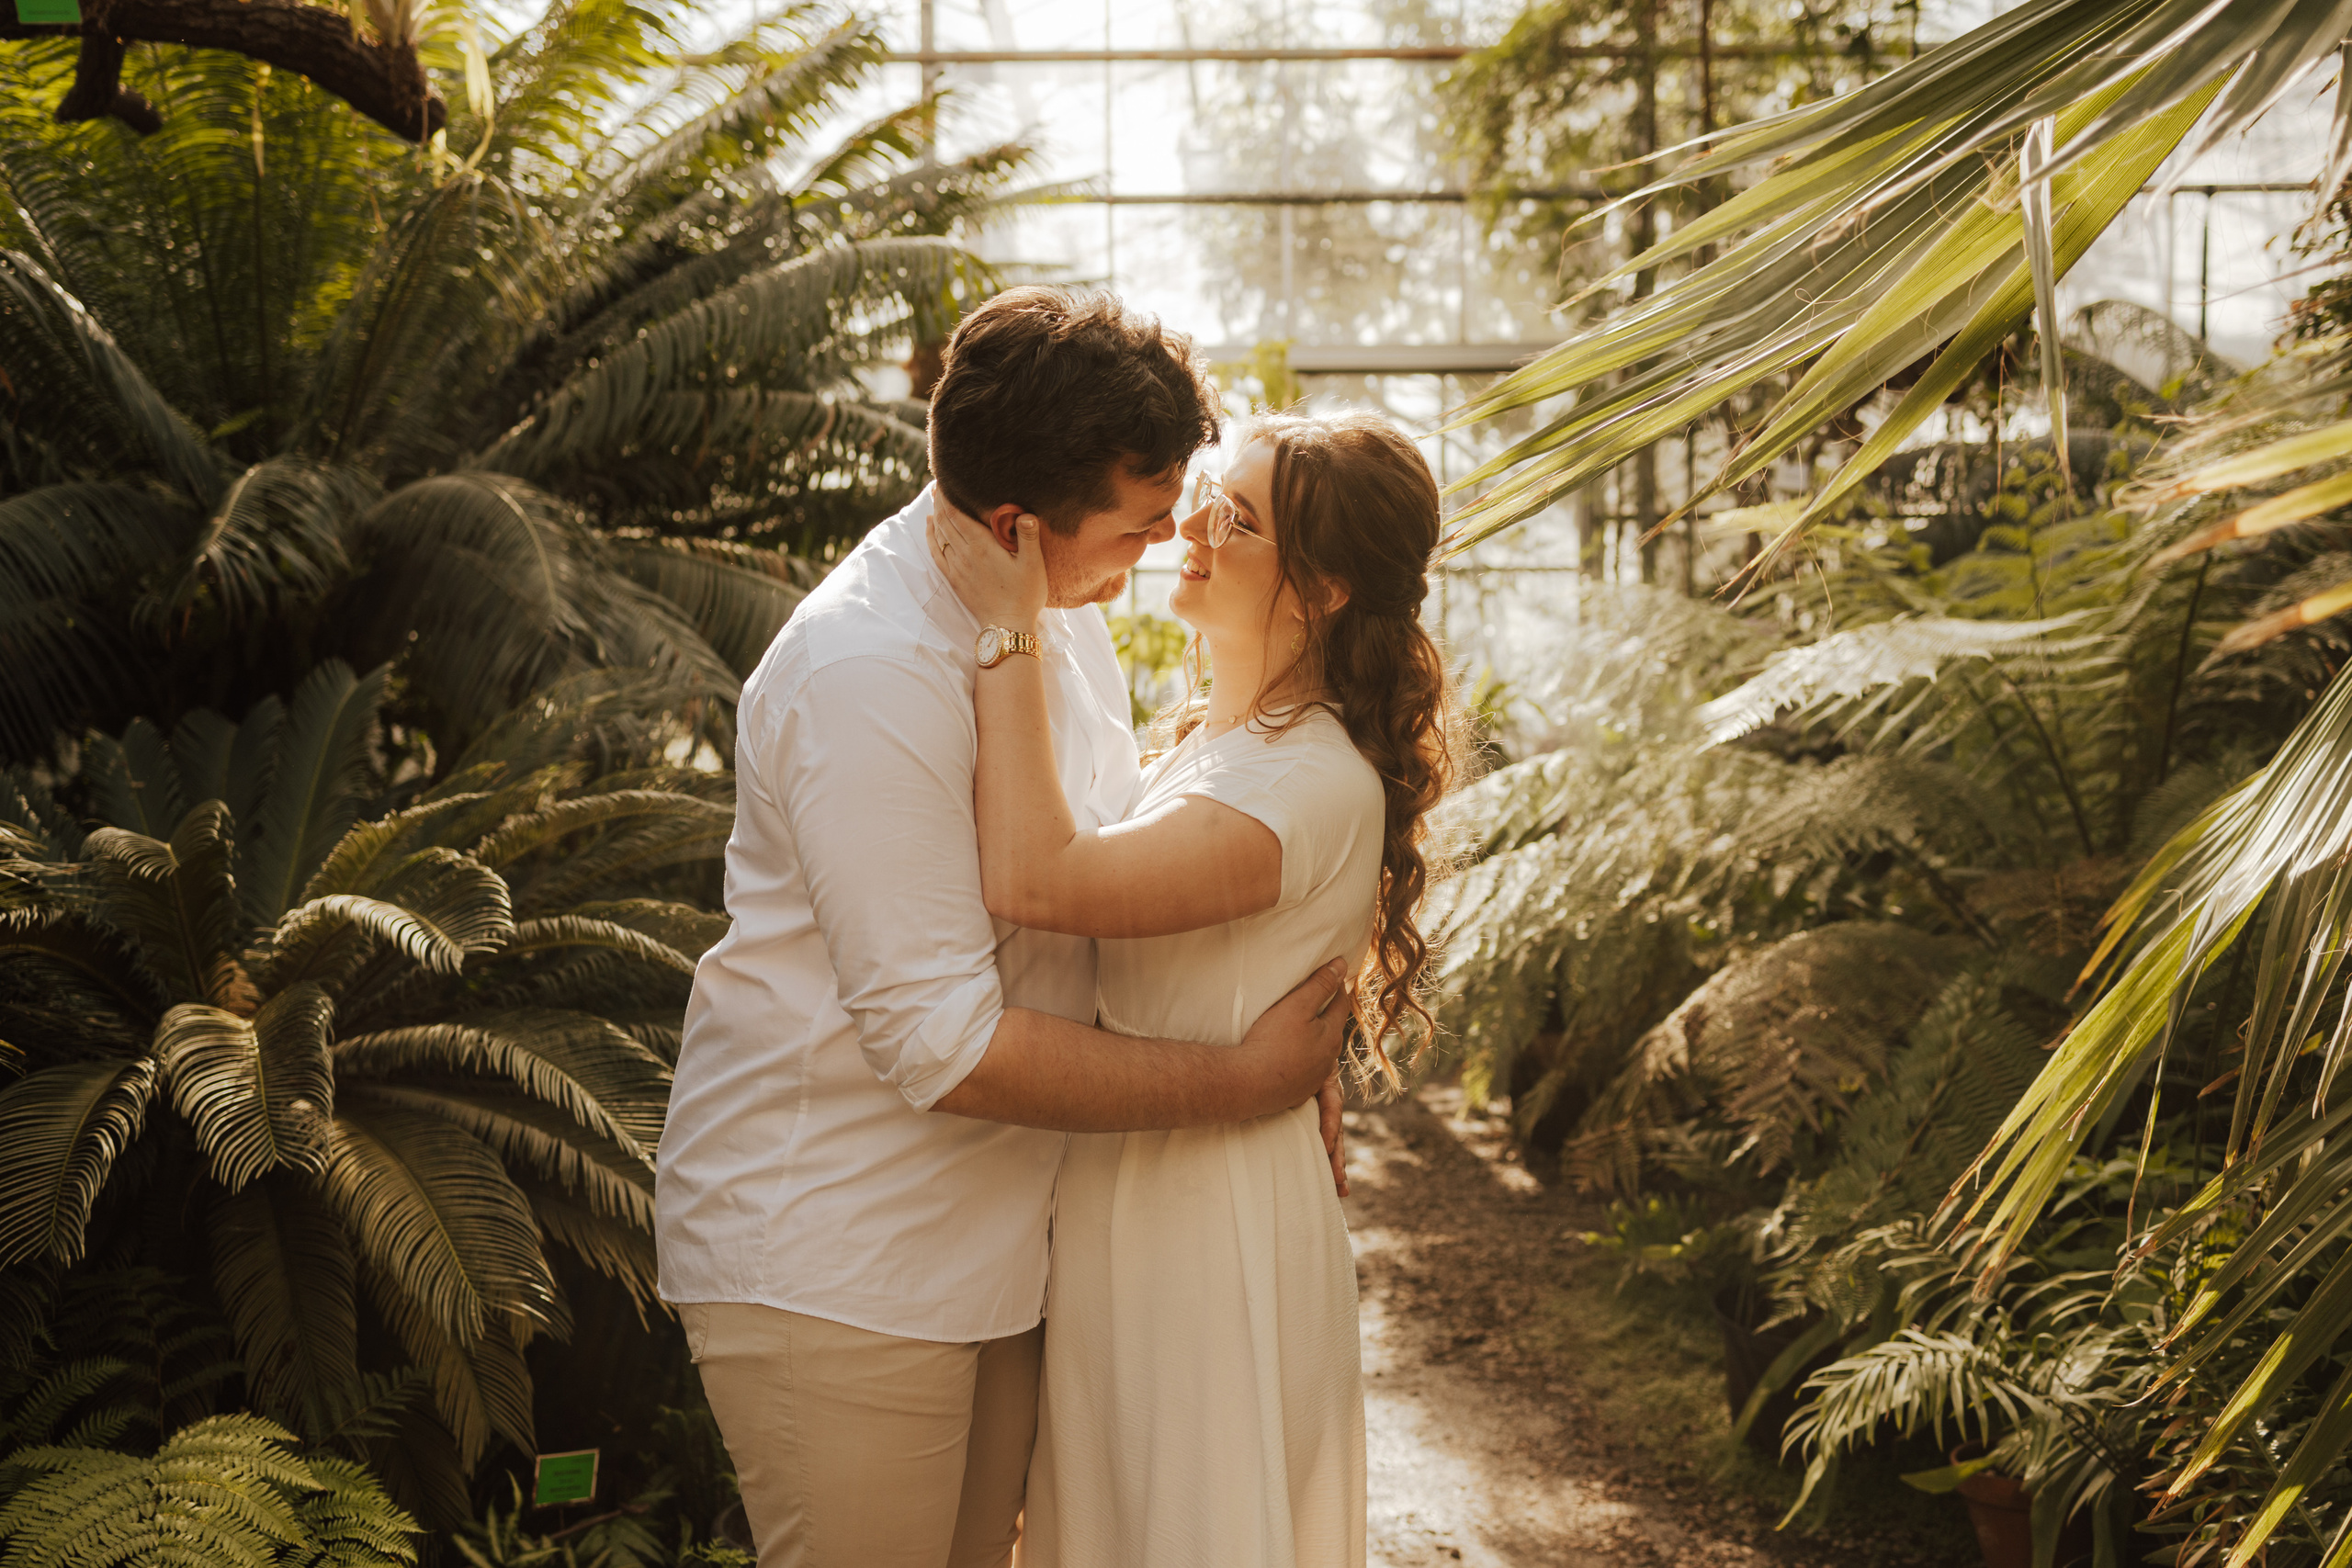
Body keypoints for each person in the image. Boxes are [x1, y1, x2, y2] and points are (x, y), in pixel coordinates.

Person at [652, 288, 1358, 1568]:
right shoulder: (864, 675)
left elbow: (1108, 877)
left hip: (996, 1247)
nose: (1157, 552)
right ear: (1017, 525)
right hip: (840, 1257)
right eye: (1139, 527)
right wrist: (1241, 1078)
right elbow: (944, 1045)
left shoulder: (1048, 619)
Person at [929, 408, 1459, 1568]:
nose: (1188, 527)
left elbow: (1035, 875)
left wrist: (1009, 630)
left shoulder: (1306, 778)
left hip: (1207, 1224)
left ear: (1319, 587)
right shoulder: (1215, 744)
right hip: (1147, 1186)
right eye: (1206, 497)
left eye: (1236, 517)